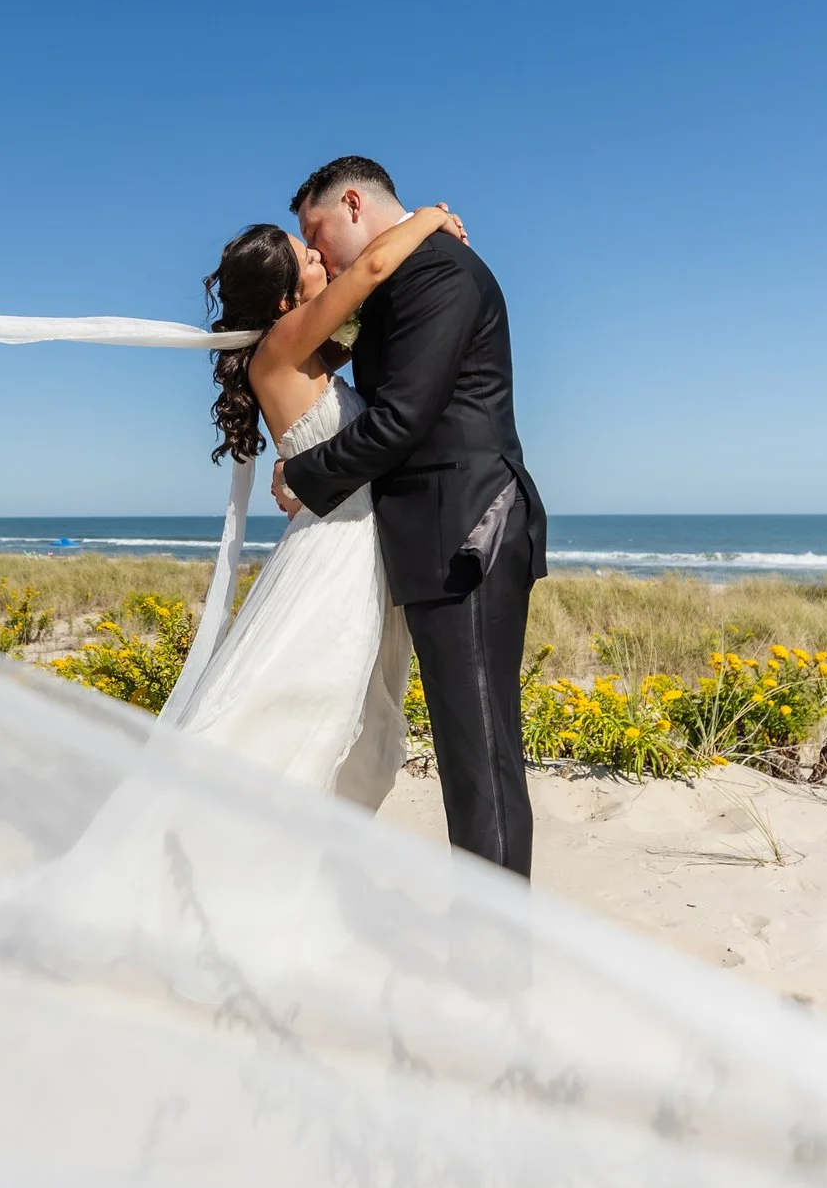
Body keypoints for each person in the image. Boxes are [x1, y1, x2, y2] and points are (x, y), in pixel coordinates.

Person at [276, 156, 546, 878]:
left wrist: (301, 476)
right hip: (435, 537)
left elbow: (401, 420)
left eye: (318, 230)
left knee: (481, 756)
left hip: (469, 534)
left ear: (354, 205)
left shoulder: (436, 273)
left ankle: (491, 963)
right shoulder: (409, 271)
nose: (319, 251)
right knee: (468, 750)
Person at [157, 200, 467, 809]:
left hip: (354, 543)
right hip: (335, 551)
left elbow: (369, 335)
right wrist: (430, 216)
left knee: (341, 719)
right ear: (281, 300)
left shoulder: (305, 351)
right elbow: (374, 266)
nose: (321, 256)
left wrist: (290, 468)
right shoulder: (284, 341)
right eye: (307, 258)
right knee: (301, 709)